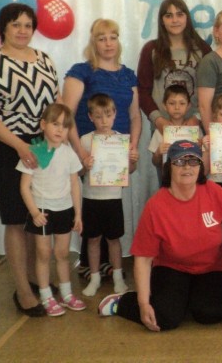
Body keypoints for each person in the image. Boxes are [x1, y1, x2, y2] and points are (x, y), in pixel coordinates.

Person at [98, 141, 222, 331]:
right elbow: (143, 259)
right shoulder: (155, 206)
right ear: (169, 167)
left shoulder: (215, 193)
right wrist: (142, 303)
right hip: (172, 267)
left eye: (193, 161)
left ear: (200, 166)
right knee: (164, 319)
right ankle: (123, 301)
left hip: (213, 266)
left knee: (211, 314)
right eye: (180, 161)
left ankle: (182, 300)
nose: (187, 167)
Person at [0, 3, 61, 316]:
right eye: (15, 24)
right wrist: (20, 146)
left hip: (42, 143)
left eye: (27, 25)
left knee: (38, 213)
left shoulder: (45, 59)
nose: (22, 30)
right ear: (3, 29)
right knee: (15, 217)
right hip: (9, 145)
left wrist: (57, 141)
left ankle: (38, 280)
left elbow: (56, 104)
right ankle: (23, 291)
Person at [63, 18, 141, 280]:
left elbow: (135, 116)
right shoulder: (81, 71)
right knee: (92, 206)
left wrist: (133, 146)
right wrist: (81, 153)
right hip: (88, 151)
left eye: (113, 37)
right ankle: (90, 264)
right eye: (102, 38)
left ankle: (107, 264)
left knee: (110, 206)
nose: (108, 43)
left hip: (118, 154)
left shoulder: (128, 75)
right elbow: (67, 114)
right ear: (93, 42)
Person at [17, 104, 85, 317]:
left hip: (64, 209)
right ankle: (46, 295)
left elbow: (75, 184)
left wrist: (78, 213)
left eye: (65, 126)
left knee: (63, 254)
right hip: (43, 211)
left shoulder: (69, 153)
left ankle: (66, 293)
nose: (59, 129)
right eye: (55, 124)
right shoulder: (33, 152)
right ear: (43, 125)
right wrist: (34, 212)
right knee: (43, 254)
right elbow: (24, 187)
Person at [79, 94, 133, 297]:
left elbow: (129, 170)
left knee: (114, 239)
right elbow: (78, 172)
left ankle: (118, 277)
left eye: (108, 115)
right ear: (90, 117)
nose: (104, 121)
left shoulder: (120, 140)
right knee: (93, 239)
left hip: (113, 198)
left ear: (115, 115)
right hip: (91, 198)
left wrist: (132, 160)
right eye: (99, 116)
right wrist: (85, 165)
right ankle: (95, 278)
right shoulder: (85, 140)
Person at [137, 0, 211, 132]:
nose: (175, 20)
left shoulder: (203, 49)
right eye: (169, 16)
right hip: (162, 127)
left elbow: (211, 89)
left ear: (187, 18)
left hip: (194, 126)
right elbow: (142, 91)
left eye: (179, 14)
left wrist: (197, 117)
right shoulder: (151, 49)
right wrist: (158, 119)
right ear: (162, 20)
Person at [147, 85, 194, 182]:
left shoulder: (194, 131)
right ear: (164, 106)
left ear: (188, 106)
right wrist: (158, 152)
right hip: (168, 179)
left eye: (182, 103)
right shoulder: (160, 131)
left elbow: (200, 157)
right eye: (172, 103)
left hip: (190, 178)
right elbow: (155, 162)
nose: (177, 107)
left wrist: (200, 145)